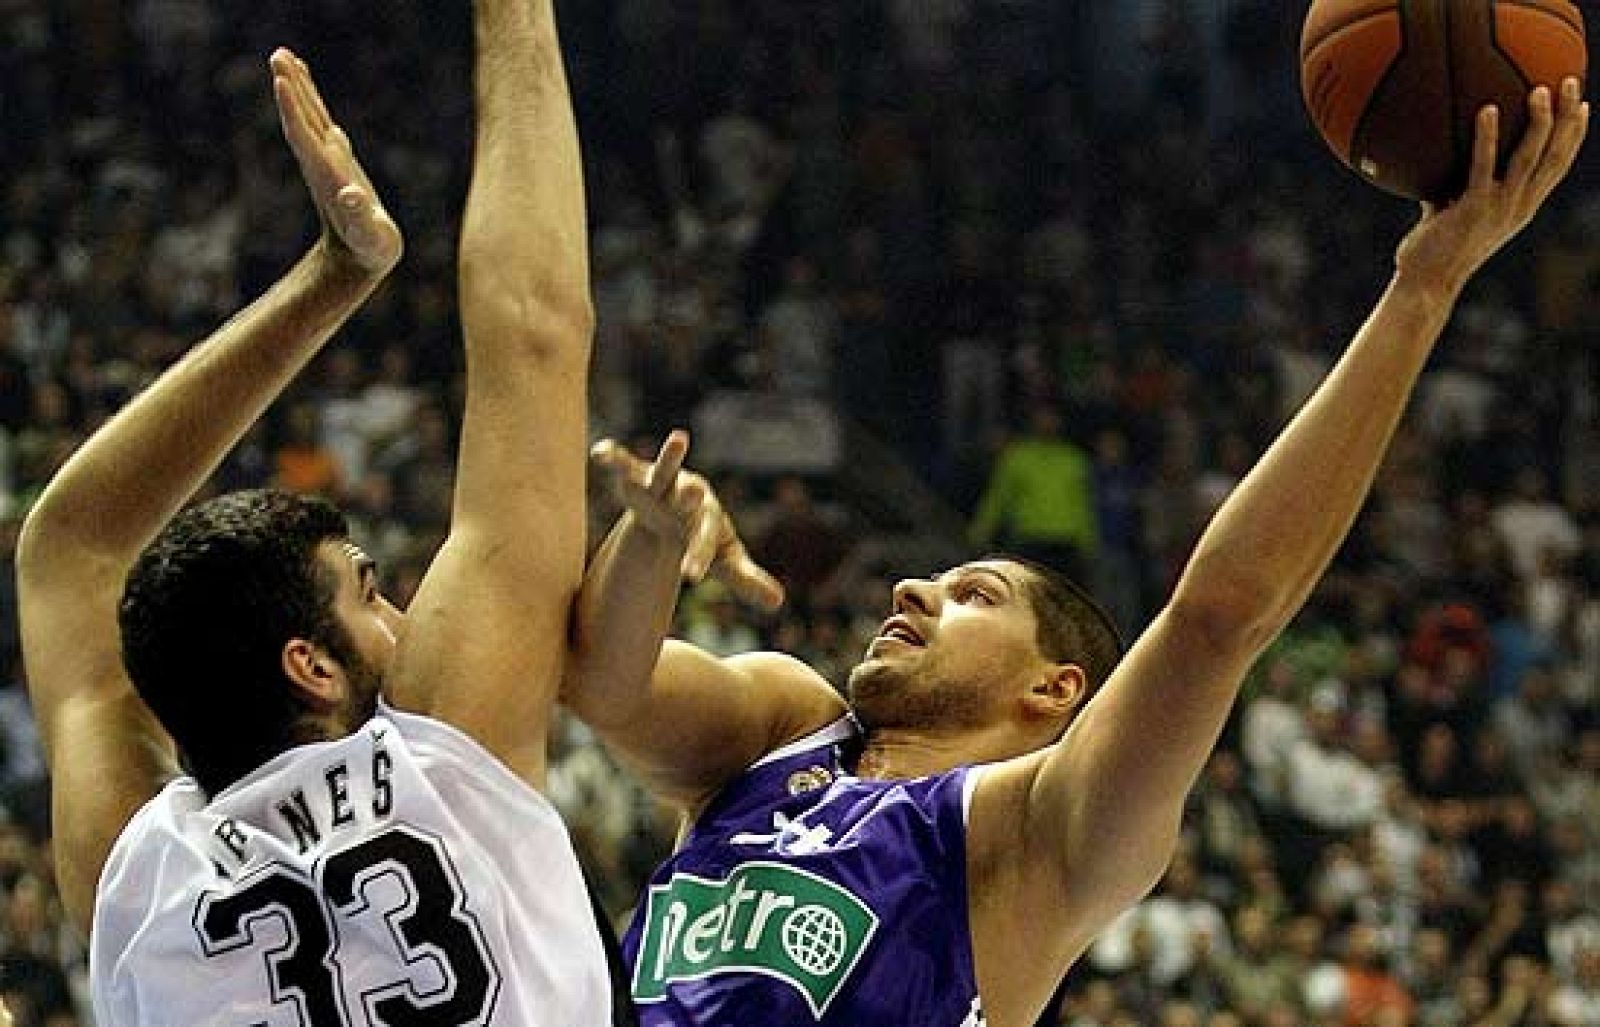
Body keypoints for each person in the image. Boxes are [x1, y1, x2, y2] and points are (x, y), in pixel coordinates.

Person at [573, 83, 1590, 1026]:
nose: (911, 588)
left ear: (1054, 687)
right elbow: (605, 684)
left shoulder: (1036, 842)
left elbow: (1219, 615)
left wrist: (1423, 287)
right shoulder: (783, 726)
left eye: (972, 594)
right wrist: (649, 541)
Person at [18, 0, 615, 1018]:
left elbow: (71, 542)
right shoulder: (447, 759)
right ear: (312, 664)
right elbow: (533, 324)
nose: (404, 618)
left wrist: (338, 272)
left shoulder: (136, 878)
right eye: (369, 594)